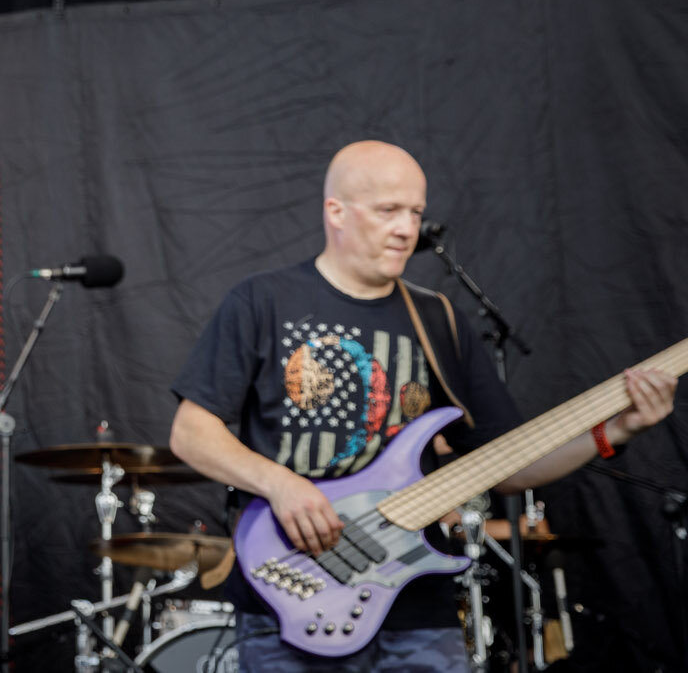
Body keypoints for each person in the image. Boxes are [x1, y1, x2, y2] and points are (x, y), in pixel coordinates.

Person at [168, 140, 678, 672]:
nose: (406, 229)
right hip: (292, 588)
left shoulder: (440, 322)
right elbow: (191, 432)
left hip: (417, 608)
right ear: (335, 211)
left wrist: (613, 431)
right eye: (388, 210)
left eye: (415, 212)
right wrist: (281, 483)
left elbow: (505, 465)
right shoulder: (262, 302)